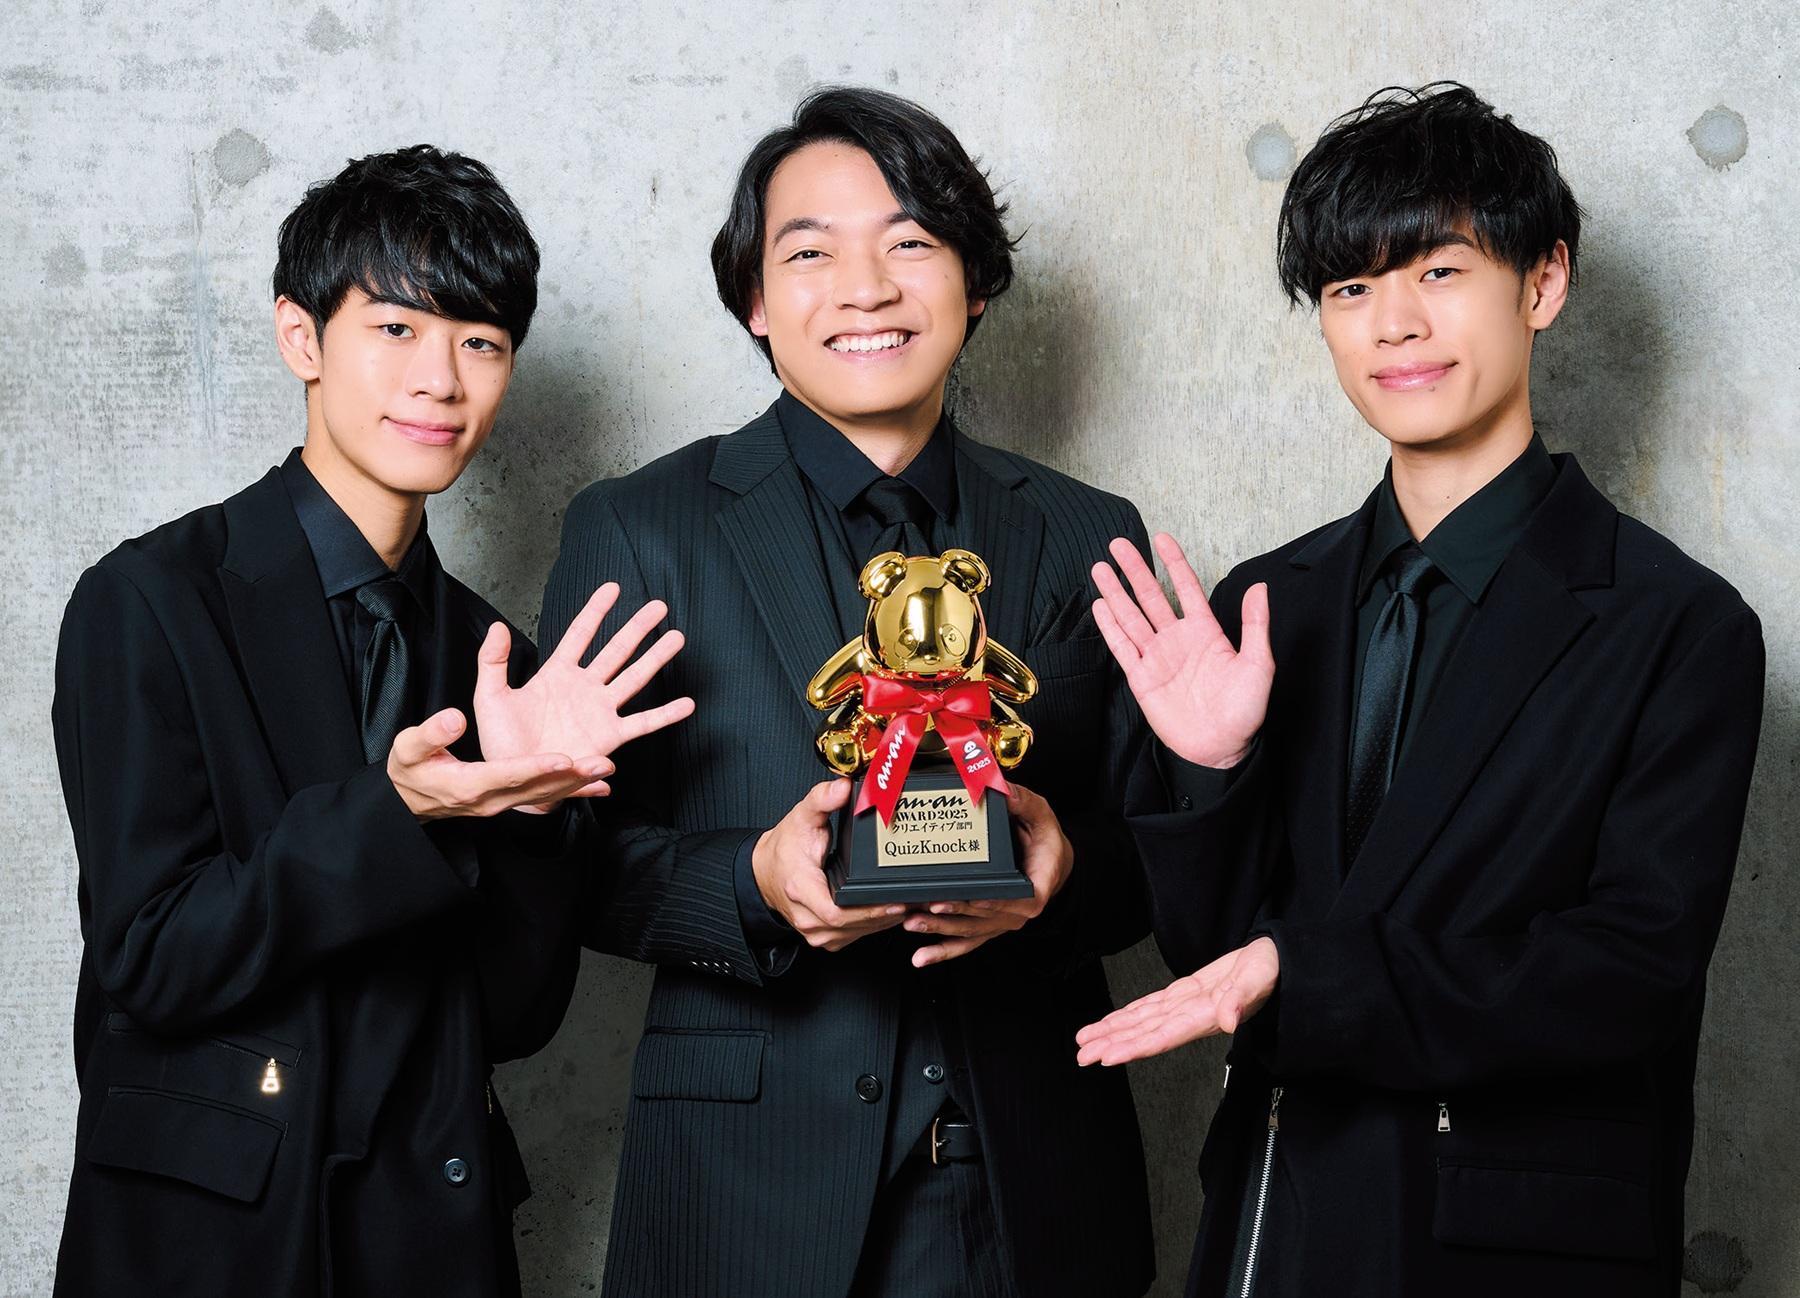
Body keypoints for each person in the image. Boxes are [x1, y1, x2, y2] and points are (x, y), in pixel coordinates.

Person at [1078, 83, 1766, 1298]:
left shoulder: (1676, 624)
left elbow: (1629, 972)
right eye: (1351, 289)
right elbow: (1217, 959)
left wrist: (1315, 976)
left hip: (1510, 1243)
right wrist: (1212, 770)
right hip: (1276, 1224)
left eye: (1439, 272)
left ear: (1543, 282)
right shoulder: (1267, 601)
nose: (1394, 323)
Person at [540, 88, 1155, 1298]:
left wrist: (1064, 869)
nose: (866, 288)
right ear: (756, 301)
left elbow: (1159, 855)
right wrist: (753, 883)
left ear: (975, 286)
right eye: (811, 252)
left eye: (910, 242)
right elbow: (573, 866)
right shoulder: (639, 528)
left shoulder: (1091, 532)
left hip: (1030, 1197)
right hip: (743, 1199)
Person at [51, 145, 692, 1297]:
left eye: (481, 342)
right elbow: (150, 957)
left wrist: (533, 809)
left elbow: (511, 1016)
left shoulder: (495, 661)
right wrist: (396, 813)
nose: (440, 379)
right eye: (396, 328)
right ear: (301, 337)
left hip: (428, 1231)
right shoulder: (150, 600)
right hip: (215, 1240)